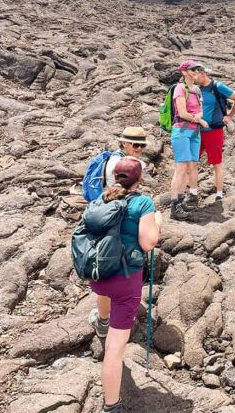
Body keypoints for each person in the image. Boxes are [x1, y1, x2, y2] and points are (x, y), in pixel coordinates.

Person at [88, 157, 162, 413]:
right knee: (114, 349)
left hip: (98, 275)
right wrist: (158, 224)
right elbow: (148, 243)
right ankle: (112, 405)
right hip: (126, 280)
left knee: (105, 296)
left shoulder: (100, 200)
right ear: (138, 179)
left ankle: (102, 321)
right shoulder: (143, 203)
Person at [194, 64, 235, 200]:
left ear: (202, 73)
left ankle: (219, 194)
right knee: (191, 161)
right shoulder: (195, 89)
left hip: (214, 130)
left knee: (216, 163)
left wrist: (230, 116)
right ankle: (192, 192)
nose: (194, 78)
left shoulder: (217, 86)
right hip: (196, 130)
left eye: (195, 75)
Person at [169, 60, 208, 220]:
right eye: (193, 69)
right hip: (182, 131)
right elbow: (183, 113)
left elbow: (201, 111)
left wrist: (200, 117)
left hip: (194, 133)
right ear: (184, 72)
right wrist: (199, 120)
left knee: (190, 166)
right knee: (180, 169)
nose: (196, 71)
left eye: (197, 69)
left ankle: (181, 200)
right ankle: (174, 207)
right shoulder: (180, 88)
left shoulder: (197, 90)